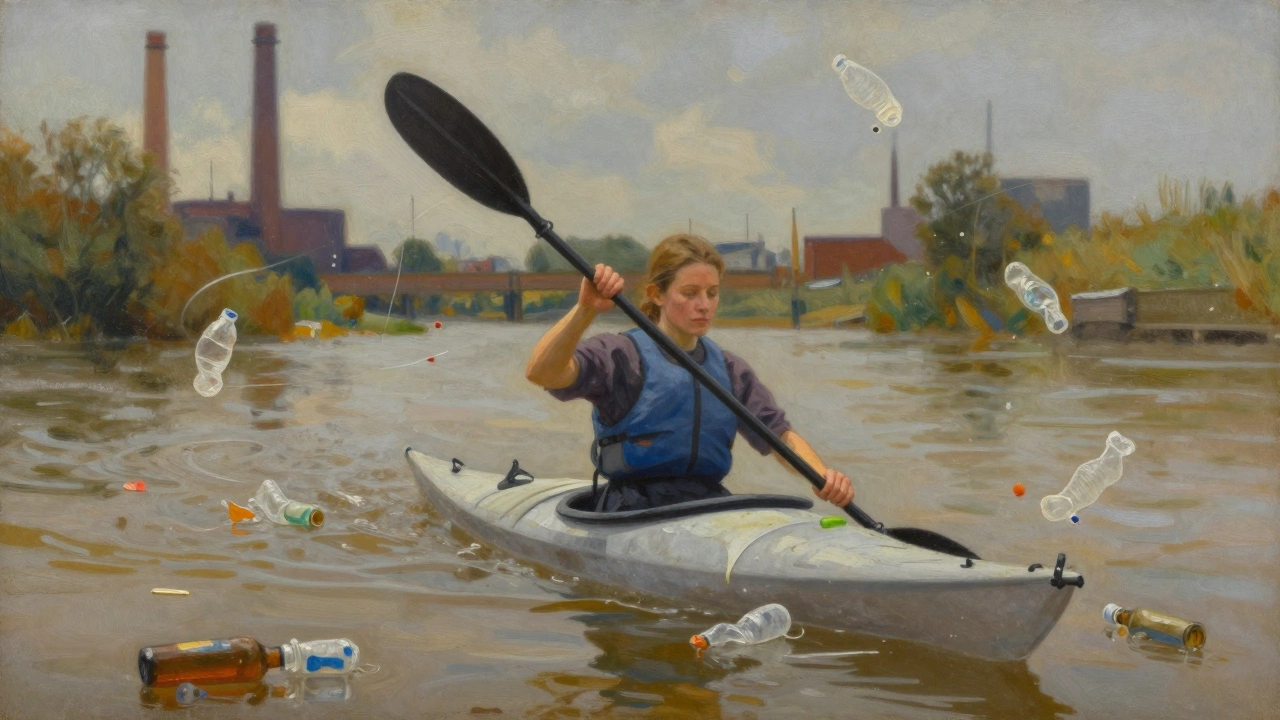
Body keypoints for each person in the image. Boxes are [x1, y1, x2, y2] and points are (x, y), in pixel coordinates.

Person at [525, 233, 854, 512]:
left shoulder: (729, 368)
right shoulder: (620, 355)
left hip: (708, 503)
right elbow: (542, 372)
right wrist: (585, 310)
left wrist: (823, 477)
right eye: (690, 293)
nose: (705, 305)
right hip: (632, 507)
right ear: (657, 295)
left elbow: (780, 436)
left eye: (712, 293)